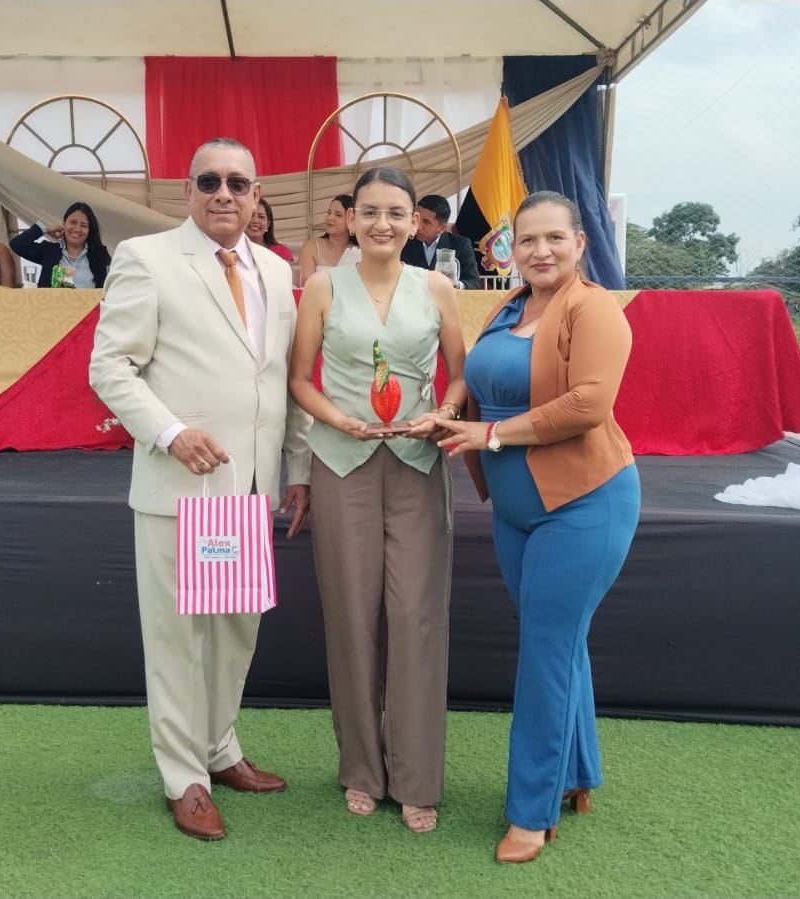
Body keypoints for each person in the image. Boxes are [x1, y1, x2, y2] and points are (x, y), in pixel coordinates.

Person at [88, 137, 311, 842]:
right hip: (181, 485)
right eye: (208, 181)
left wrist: (297, 469)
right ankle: (183, 776)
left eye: (237, 183)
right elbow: (110, 366)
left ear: (256, 195)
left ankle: (219, 748)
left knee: (236, 631)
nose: (223, 194)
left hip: (248, 486)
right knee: (178, 637)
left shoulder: (275, 269)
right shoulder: (146, 258)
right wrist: (171, 432)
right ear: (187, 191)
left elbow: (282, 379)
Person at [428, 191, 640, 865]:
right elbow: (479, 381)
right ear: (509, 249)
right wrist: (448, 412)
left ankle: (531, 811)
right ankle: (577, 773)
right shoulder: (510, 306)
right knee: (559, 642)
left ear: (580, 243)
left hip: (584, 504)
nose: (540, 250)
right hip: (517, 511)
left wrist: (489, 435)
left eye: (554, 238)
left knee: (546, 650)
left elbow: (587, 404)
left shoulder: (593, 309)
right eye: (527, 240)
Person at [289, 166, 467, 834]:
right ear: (349, 217)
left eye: (396, 212)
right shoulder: (322, 286)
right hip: (342, 463)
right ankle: (362, 769)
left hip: (418, 463)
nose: (382, 224)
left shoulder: (436, 286)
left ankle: (417, 777)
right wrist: (337, 420)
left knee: (417, 616)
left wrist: (442, 414)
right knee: (350, 616)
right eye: (369, 212)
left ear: (415, 220)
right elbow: (299, 379)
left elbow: (460, 375)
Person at [8, 201, 110, 288]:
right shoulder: (49, 251)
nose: (77, 229)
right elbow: (17, 244)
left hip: (90, 306)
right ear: (64, 223)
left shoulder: (100, 255)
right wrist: (45, 229)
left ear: (89, 230)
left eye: (83, 225)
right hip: (51, 305)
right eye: (73, 222)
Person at [401, 194, 482, 290]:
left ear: (442, 228)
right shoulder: (405, 242)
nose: (418, 227)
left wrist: (456, 284)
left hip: (446, 298)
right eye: (417, 219)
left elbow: (474, 283)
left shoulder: (460, 245)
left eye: (426, 222)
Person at [298, 193, 360, 286]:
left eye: (338, 215)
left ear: (352, 221)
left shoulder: (360, 251)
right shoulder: (311, 247)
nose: (330, 218)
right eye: (329, 213)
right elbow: (305, 283)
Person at [247, 198, 295, 265]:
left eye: (261, 217)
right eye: (251, 215)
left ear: (268, 224)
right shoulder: (233, 251)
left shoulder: (282, 251)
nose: (255, 221)